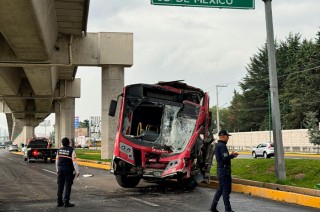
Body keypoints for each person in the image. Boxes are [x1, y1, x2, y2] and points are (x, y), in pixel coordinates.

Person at [209, 130, 239, 212]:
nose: (228, 137)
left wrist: (231, 156)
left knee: (221, 189)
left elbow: (223, 157)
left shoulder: (218, 145)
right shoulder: (222, 145)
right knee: (226, 190)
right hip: (224, 171)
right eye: (227, 136)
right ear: (222, 136)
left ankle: (213, 207)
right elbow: (225, 158)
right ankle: (228, 209)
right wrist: (232, 155)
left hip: (221, 170)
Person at [56, 137, 80, 207]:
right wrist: (77, 171)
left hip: (60, 169)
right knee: (67, 186)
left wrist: (57, 170)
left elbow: (57, 161)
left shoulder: (59, 150)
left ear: (62, 143)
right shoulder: (71, 150)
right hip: (68, 170)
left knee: (60, 186)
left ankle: (59, 202)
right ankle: (66, 202)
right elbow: (74, 162)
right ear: (69, 143)